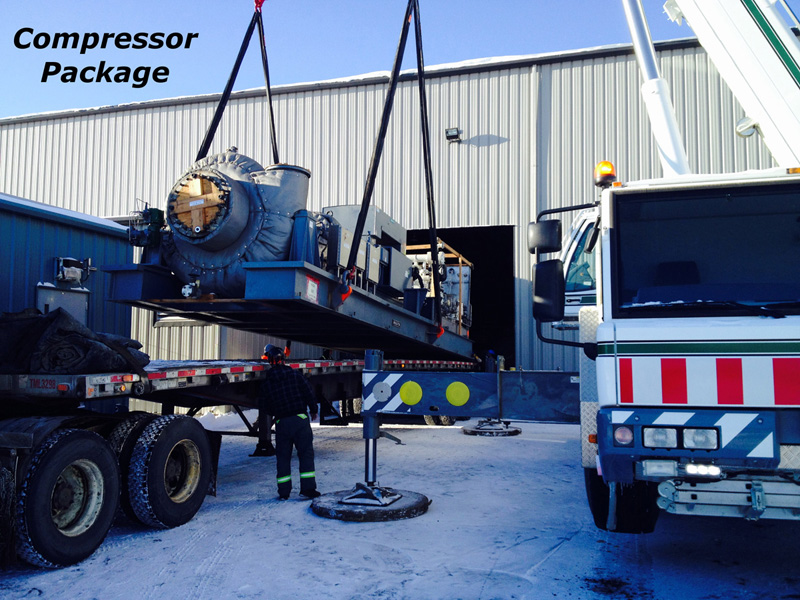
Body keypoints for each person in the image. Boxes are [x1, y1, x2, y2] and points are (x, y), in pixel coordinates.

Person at [260, 344, 321, 500]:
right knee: (305, 454)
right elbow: (308, 392)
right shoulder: (295, 375)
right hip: (300, 420)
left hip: (282, 422)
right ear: (283, 360)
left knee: (283, 457)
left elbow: (264, 406)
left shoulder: (267, 383)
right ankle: (308, 489)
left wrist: (277, 413)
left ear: (270, 361)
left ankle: (284, 492)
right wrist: (313, 409)